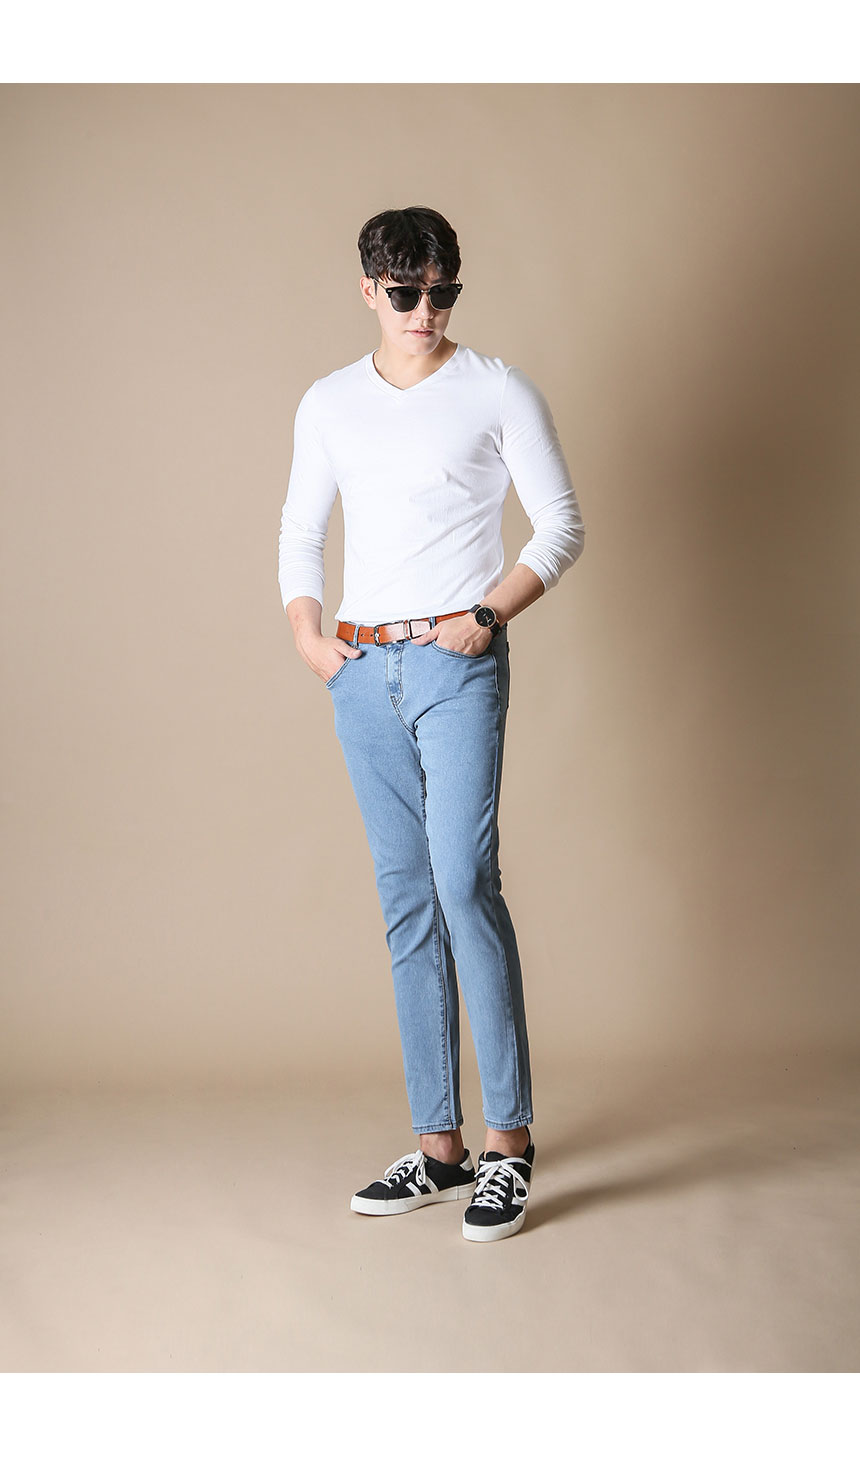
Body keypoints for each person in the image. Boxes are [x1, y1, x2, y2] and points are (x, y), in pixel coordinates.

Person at [277, 205, 585, 1241]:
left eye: (441, 290)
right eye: (404, 291)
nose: (424, 310)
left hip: (458, 663)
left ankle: (509, 1144)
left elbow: (560, 523)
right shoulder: (329, 401)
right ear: (368, 288)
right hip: (362, 669)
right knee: (406, 897)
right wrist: (310, 636)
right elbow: (300, 526)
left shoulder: (496, 389)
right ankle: (439, 1146)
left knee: (462, 881)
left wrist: (486, 615)